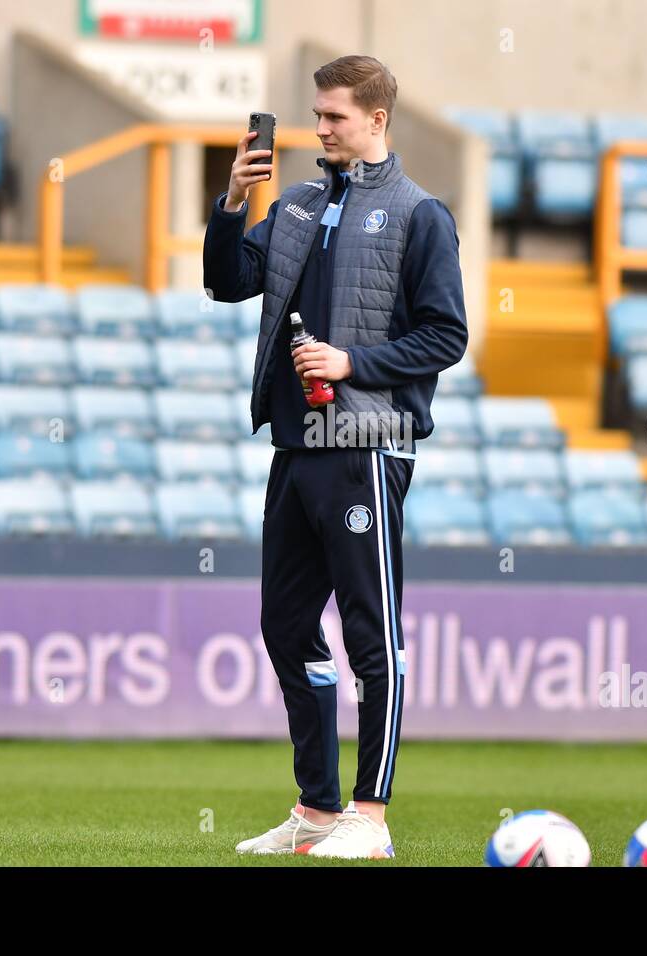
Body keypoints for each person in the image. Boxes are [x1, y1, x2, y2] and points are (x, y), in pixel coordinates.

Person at [203, 54, 468, 859]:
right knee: (284, 627)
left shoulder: (422, 215)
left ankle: (371, 817)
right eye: (315, 116)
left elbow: (447, 335)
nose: (319, 130)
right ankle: (317, 811)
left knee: (370, 635)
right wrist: (231, 203)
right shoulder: (293, 205)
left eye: (335, 118)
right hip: (295, 448)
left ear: (377, 120)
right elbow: (224, 283)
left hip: (364, 442)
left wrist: (351, 362)